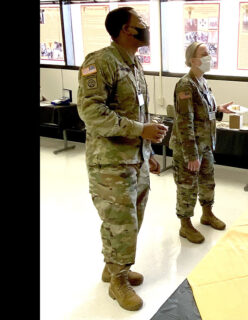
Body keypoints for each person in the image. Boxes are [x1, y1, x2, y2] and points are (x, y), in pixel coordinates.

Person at [77, 7, 168, 311]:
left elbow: (137, 112)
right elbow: (91, 113)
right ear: (125, 30)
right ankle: (118, 281)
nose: (146, 28)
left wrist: (149, 152)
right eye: (141, 24)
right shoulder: (101, 61)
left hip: (136, 160)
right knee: (121, 223)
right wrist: (141, 130)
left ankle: (114, 266)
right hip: (110, 164)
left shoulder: (134, 63)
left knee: (133, 219)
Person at [170, 41, 234, 244]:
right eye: (205, 54)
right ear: (192, 60)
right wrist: (191, 155)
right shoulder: (185, 85)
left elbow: (202, 112)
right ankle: (185, 225)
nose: (209, 57)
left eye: (209, 53)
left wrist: (219, 109)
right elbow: (184, 121)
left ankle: (207, 214)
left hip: (205, 144)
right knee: (187, 187)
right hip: (189, 147)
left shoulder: (202, 81)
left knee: (207, 181)